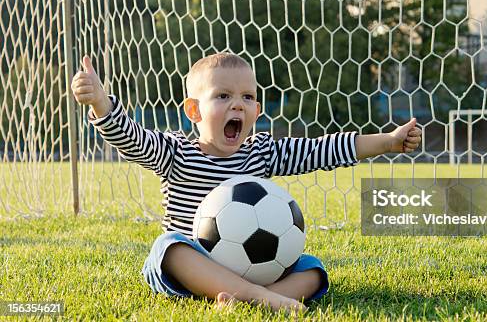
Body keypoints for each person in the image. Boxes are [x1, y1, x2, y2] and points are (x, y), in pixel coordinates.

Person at [71, 53, 422, 313]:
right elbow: (133, 139)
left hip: (259, 268)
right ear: (194, 111)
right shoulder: (175, 152)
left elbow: (322, 150)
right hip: (195, 269)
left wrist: (388, 142)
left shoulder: (260, 152)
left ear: (256, 112)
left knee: (313, 269)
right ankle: (263, 298)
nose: (237, 104)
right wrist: (102, 105)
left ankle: (245, 294)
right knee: (168, 248)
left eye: (247, 98)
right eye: (223, 96)